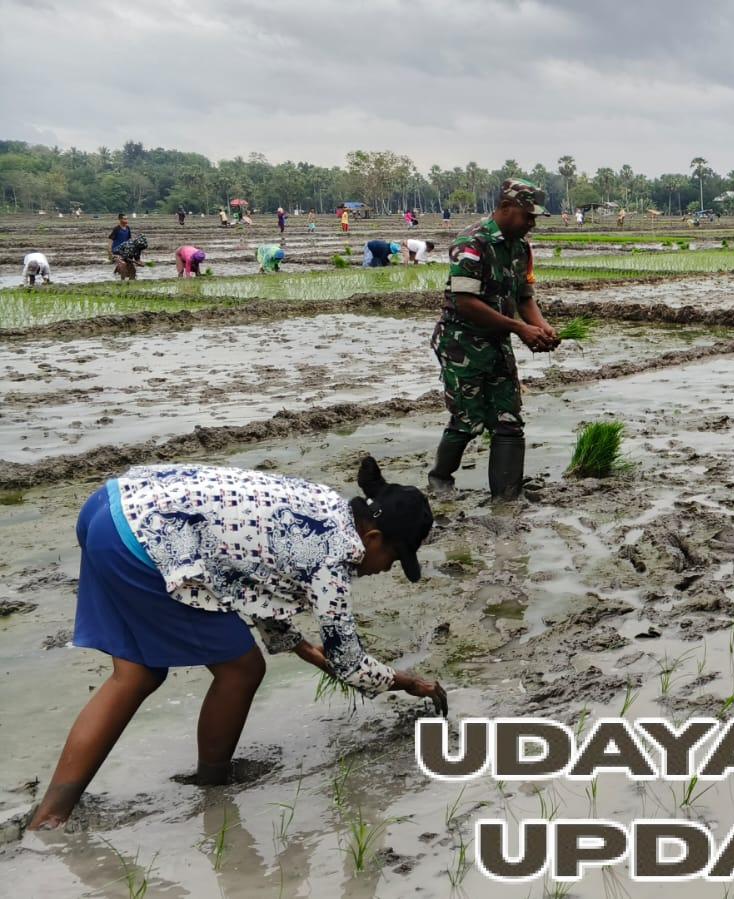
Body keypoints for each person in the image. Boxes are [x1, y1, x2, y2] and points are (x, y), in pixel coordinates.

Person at [26, 458, 445, 831]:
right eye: (393, 560)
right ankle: (212, 782)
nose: (385, 570)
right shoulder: (332, 559)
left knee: (137, 673)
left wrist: (304, 648)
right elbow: (351, 665)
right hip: (146, 540)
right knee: (241, 669)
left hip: (112, 508)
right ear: (372, 539)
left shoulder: (324, 505)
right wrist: (410, 683)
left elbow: (249, 578)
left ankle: (51, 815)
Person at [428, 178, 561, 501]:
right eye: (527, 216)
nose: (531, 224)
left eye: (534, 218)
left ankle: (507, 497)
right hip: (461, 342)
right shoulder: (471, 244)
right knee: (468, 420)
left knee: (508, 420)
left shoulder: (520, 248)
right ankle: (440, 478)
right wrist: (519, 329)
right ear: (505, 208)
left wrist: (541, 327)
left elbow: (524, 296)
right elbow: (465, 302)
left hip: (497, 342)